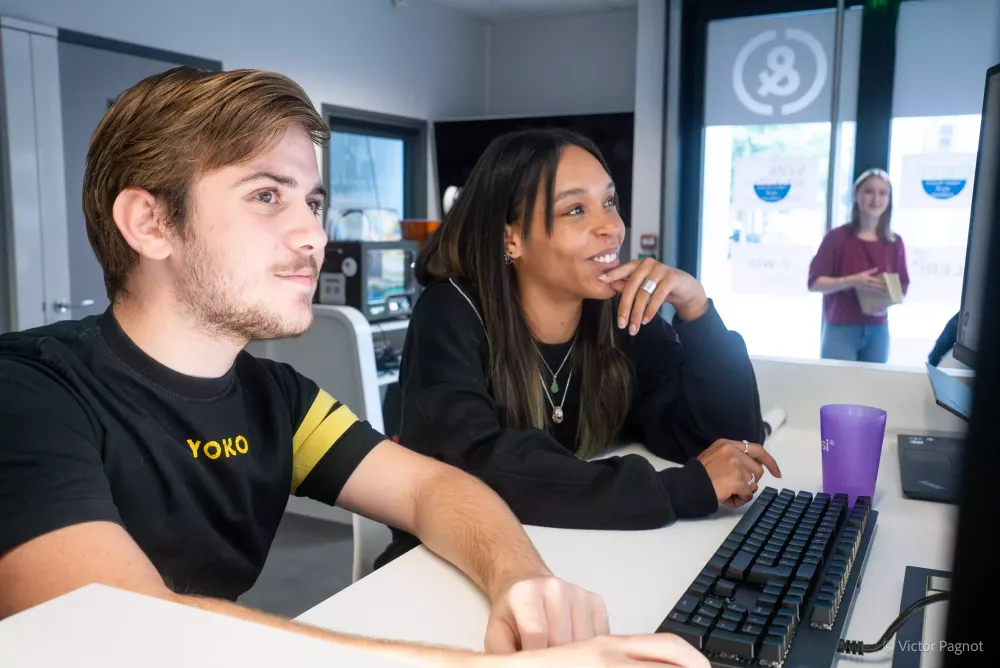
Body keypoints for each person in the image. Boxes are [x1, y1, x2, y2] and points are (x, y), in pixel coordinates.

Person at [0, 68, 709, 668]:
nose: (314, 234)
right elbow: (118, 630)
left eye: (312, 202)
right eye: (266, 196)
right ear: (150, 223)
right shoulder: (25, 392)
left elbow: (434, 488)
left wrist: (522, 581)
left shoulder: (275, 398)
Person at [376, 128, 780, 568]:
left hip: (569, 555)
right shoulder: (451, 311)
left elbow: (729, 444)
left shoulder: (617, 315)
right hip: (448, 568)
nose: (611, 228)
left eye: (609, 202)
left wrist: (696, 310)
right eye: (574, 210)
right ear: (511, 239)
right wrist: (678, 491)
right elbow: (480, 467)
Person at [808, 168, 910, 363]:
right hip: (840, 329)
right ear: (856, 195)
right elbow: (814, 283)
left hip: (878, 329)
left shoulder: (895, 242)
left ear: (889, 200)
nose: (876, 199)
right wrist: (852, 281)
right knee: (837, 382)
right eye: (869, 191)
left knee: (874, 383)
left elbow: (902, 285)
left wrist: (886, 303)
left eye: (883, 193)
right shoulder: (836, 238)